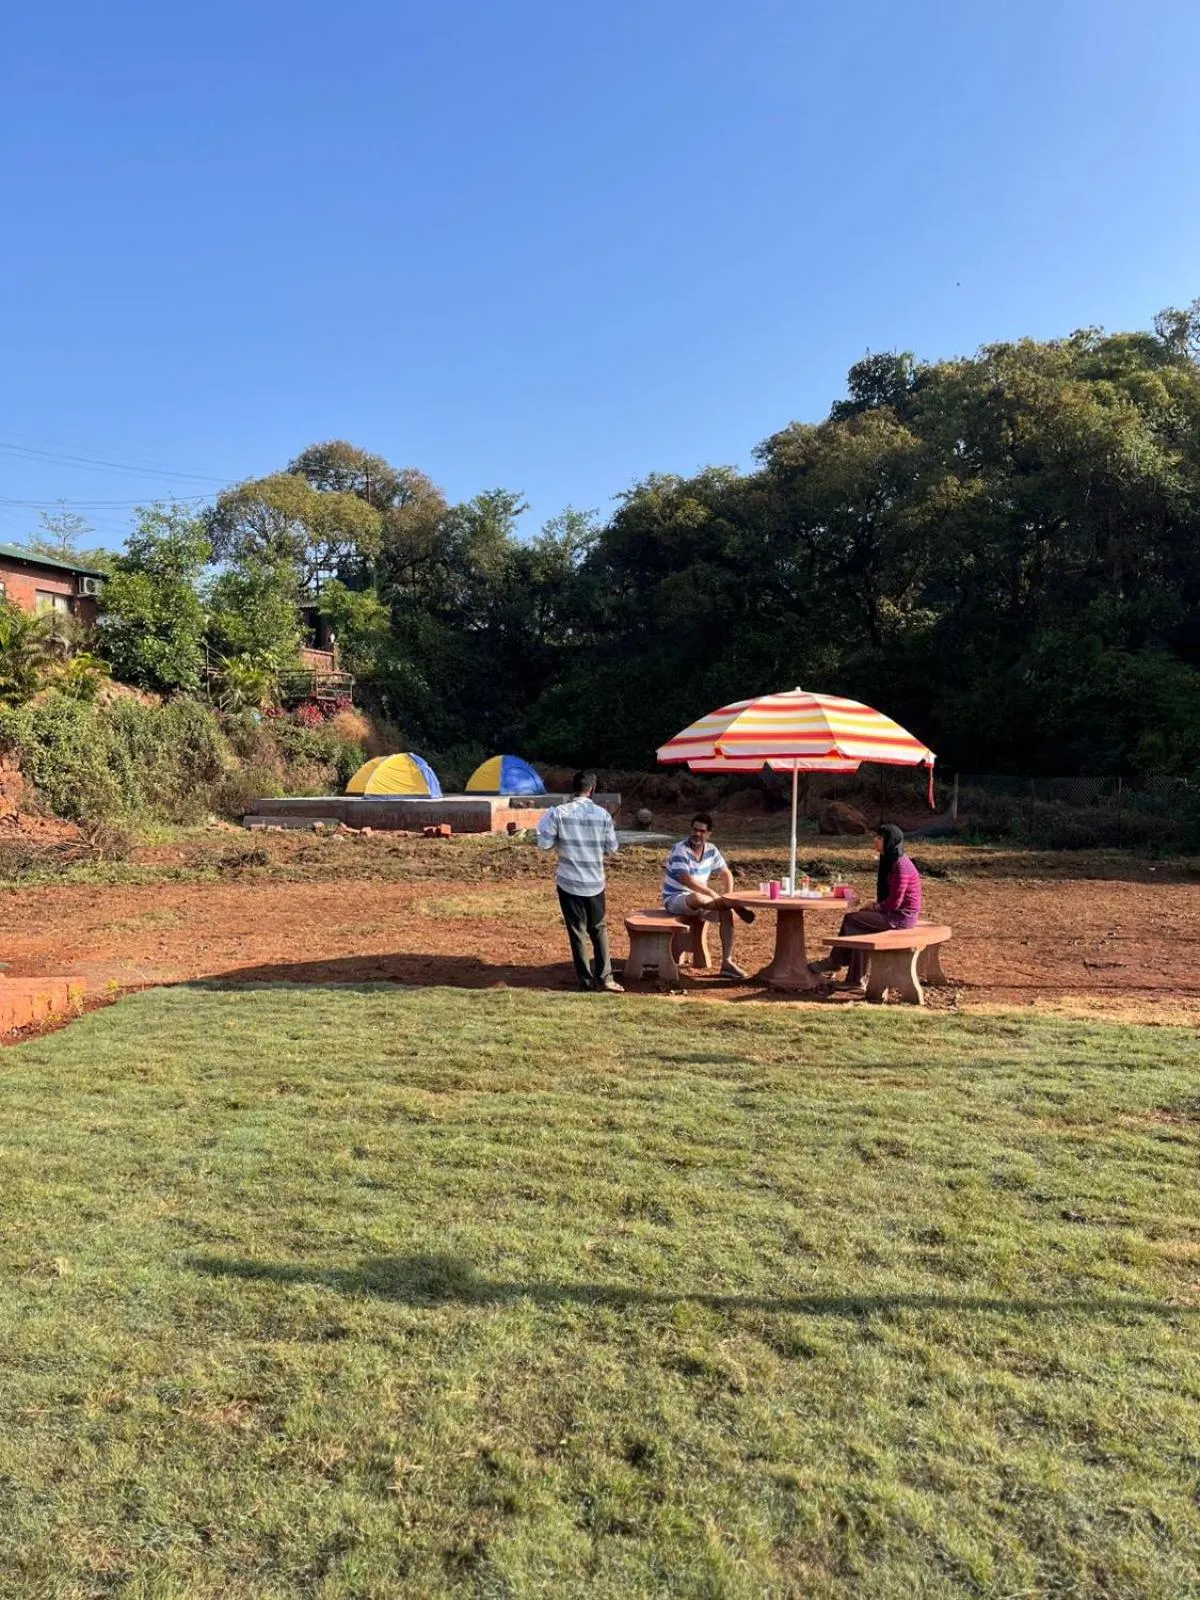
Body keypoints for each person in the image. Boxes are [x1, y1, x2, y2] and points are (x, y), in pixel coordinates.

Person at [537, 770, 623, 992]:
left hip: (569, 882)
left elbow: (544, 845)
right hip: (595, 882)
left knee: (577, 931)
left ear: (573, 788)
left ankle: (585, 981)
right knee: (599, 929)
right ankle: (606, 977)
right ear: (592, 789)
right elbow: (613, 849)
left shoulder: (558, 813)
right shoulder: (603, 815)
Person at [811, 823, 922, 989]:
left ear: (889, 841)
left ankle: (836, 962)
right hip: (892, 914)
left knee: (851, 920)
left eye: (879, 837)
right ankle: (855, 979)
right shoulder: (889, 860)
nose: (875, 840)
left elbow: (895, 902)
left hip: (900, 918)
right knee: (859, 929)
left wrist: (874, 907)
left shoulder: (901, 865)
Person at [662, 812, 755, 981]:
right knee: (698, 898)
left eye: (702, 831)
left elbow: (726, 873)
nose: (697, 834)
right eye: (695, 830)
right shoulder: (680, 850)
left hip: (706, 901)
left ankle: (727, 962)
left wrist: (729, 893)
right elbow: (686, 880)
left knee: (725, 912)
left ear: (708, 834)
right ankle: (728, 903)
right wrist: (713, 894)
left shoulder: (711, 850)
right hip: (676, 898)